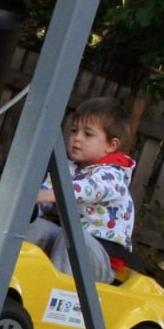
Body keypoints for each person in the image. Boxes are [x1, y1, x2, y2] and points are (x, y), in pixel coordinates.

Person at [24, 97, 137, 283]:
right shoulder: (67, 168)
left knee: (74, 238)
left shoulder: (112, 174)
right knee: (33, 227)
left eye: (88, 134)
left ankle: (57, 291)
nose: (77, 138)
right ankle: (13, 275)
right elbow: (44, 198)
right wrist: (28, 209)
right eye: (74, 131)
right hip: (67, 241)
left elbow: (86, 189)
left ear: (111, 145)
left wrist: (40, 195)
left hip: (100, 257)